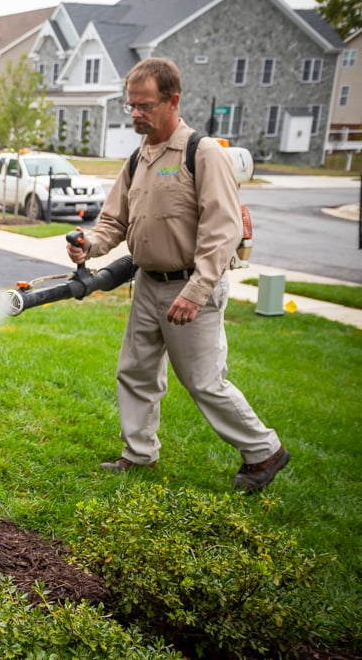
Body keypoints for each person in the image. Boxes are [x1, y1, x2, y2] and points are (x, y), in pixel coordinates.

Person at [66, 57, 289, 492]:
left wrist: (197, 289)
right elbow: (113, 222)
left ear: (173, 101)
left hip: (190, 287)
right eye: (131, 105)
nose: (135, 114)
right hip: (148, 284)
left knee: (204, 381)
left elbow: (222, 229)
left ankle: (264, 450)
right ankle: (139, 455)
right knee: (135, 372)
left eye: (144, 105)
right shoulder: (139, 157)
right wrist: (88, 245)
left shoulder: (201, 153)